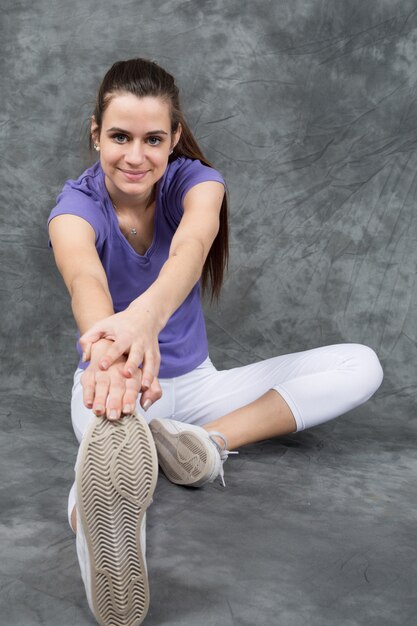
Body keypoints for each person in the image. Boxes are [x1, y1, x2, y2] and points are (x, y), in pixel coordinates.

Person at [48, 58, 383, 626]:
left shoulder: (197, 182)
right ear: (95, 135)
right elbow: (86, 282)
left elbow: (192, 248)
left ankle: (203, 444)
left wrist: (145, 319)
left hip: (200, 388)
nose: (135, 156)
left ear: (174, 136)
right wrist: (110, 358)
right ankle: (106, 525)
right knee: (105, 474)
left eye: (153, 139)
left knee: (362, 364)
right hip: (117, 387)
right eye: (119, 137)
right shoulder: (74, 210)